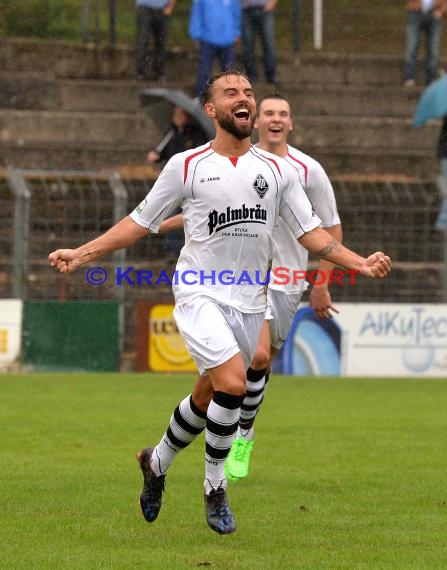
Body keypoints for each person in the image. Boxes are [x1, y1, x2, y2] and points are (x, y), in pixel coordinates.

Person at [48, 71, 391, 536]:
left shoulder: (278, 172)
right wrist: (83, 252)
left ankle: (157, 462)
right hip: (198, 291)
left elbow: (312, 234)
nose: (244, 98)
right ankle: (214, 488)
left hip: (251, 299)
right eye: (232, 93)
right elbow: (141, 221)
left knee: (208, 394)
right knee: (234, 381)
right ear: (211, 110)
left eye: (248, 92)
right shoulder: (186, 166)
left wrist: (361, 264)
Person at [161, 93, 343, 481]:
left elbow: (330, 229)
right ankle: (241, 438)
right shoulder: (236, 160)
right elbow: (208, 209)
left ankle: (162, 457)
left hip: (288, 280)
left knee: (222, 383)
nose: (276, 119)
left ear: (291, 123)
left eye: (284, 114)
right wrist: (158, 222)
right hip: (242, 280)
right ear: (257, 121)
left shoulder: (307, 171)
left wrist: (321, 284)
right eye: (270, 113)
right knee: (257, 357)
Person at [147, 105, 209, 255]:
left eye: (181, 114)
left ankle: (179, 249)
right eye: (176, 114)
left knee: (183, 217)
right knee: (169, 213)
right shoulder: (172, 134)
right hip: (174, 183)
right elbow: (166, 154)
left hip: (190, 182)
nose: (178, 118)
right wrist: (156, 157)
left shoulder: (195, 135)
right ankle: (171, 250)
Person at [188, 0, 241, 99]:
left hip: (227, 41)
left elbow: (236, 13)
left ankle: (230, 101)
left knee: (229, 74)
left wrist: (236, 32)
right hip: (207, 40)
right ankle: (199, 99)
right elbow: (197, 14)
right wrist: (196, 33)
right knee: (204, 73)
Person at [403, 0, 446, 87]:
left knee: (433, 49)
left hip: (435, 12)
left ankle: (431, 80)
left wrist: (442, 9)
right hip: (414, 11)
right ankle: (409, 77)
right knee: (411, 46)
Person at [135, 0, 176, 82]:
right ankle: (141, 72)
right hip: (144, 8)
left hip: (162, 9)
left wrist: (170, 6)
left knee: (161, 43)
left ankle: (159, 72)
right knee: (142, 41)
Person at [241, 0, 278, 85]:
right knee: (248, 45)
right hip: (246, 10)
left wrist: (272, 2)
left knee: (269, 44)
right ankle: (251, 75)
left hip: (265, 9)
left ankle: (271, 75)